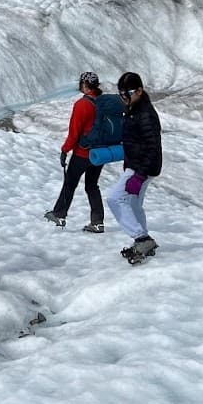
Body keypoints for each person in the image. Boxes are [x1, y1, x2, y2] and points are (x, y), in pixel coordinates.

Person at [106, 72, 163, 263]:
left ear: (139, 90)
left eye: (127, 93)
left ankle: (141, 238)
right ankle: (144, 241)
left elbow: (152, 146)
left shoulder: (144, 113)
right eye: (121, 93)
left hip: (141, 167)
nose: (124, 97)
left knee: (115, 198)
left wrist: (139, 175)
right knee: (133, 203)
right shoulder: (134, 108)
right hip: (138, 165)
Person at [46, 71, 107, 232]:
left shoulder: (82, 105)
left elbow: (75, 132)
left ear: (85, 86)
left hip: (82, 153)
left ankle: (59, 214)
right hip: (100, 153)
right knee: (92, 186)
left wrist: (65, 150)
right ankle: (98, 222)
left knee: (70, 183)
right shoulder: (103, 102)